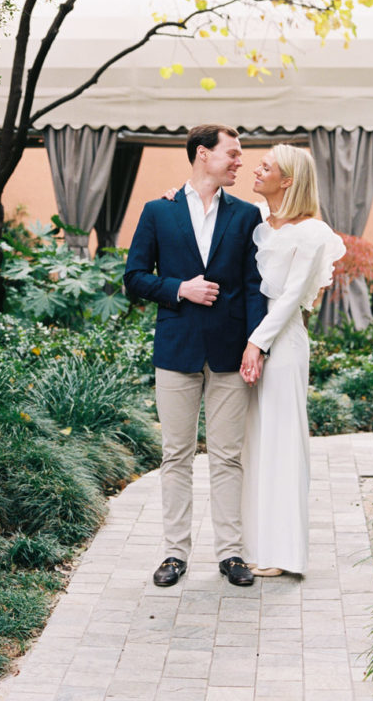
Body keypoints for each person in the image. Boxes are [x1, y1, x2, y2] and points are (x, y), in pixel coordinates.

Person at [124, 124, 268, 588]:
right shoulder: (157, 212)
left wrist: (255, 343)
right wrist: (179, 289)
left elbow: (253, 288)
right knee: (176, 455)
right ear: (203, 155)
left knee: (228, 457)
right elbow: (134, 277)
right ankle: (174, 554)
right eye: (233, 153)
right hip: (176, 348)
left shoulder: (247, 215)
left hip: (230, 353)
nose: (240, 161)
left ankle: (230, 554)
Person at [239, 144, 345, 577]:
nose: (256, 168)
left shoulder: (313, 233)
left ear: (288, 181)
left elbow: (288, 300)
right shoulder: (256, 224)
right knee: (254, 443)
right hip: (253, 343)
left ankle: (283, 554)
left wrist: (257, 344)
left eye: (267, 166)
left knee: (281, 442)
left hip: (282, 345)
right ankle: (254, 545)